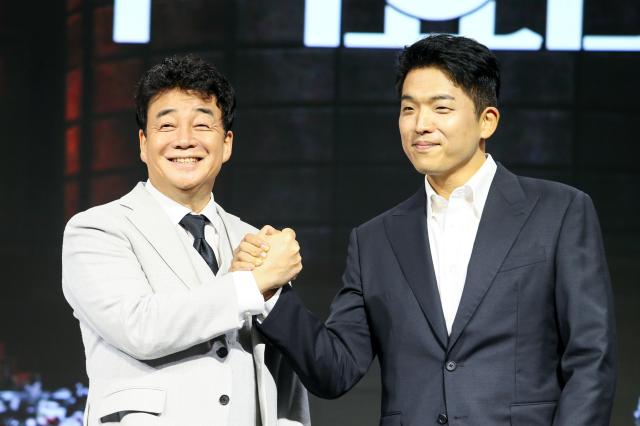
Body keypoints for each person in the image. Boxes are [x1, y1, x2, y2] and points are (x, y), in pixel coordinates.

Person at [236, 35, 617, 425]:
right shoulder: (374, 240)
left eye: (441, 108)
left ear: (487, 120)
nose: (421, 125)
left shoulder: (559, 211)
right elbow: (335, 369)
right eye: (408, 109)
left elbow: (591, 358)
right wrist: (269, 291)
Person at [61, 55, 309, 426]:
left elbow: (283, 372)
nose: (184, 140)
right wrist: (250, 284)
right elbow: (139, 327)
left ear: (226, 144)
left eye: (202, 125)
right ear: (143, 143)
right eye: (166, 125)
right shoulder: (97, 229)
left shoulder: (253, 240)